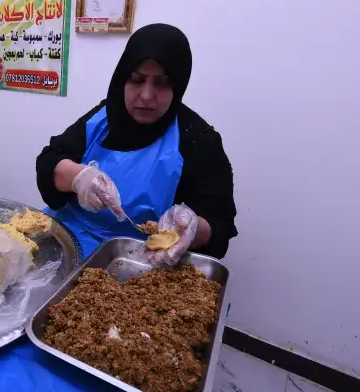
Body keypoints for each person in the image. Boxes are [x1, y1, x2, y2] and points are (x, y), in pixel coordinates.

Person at [36, 24, 237, 263]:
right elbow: (49, 161)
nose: (146, 95)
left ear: (178, 84)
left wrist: (192, 228)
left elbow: (219, 227)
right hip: (64, 241)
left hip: (137, 262)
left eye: (162, 83)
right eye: (137, 79)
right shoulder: (104, 116)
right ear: (122, 78)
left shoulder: (198, 140)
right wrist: (79, 176)